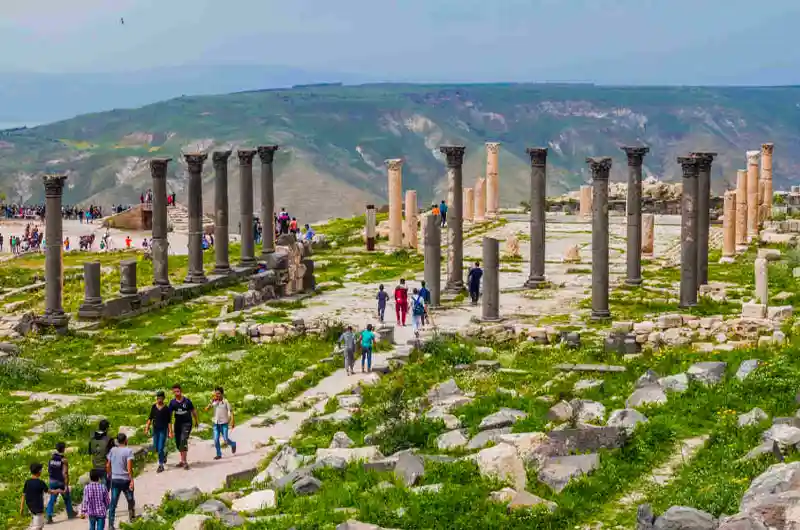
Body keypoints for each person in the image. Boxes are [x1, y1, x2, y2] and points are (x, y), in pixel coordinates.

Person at [106, 433, 135, 530]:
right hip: (125, 480)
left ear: (117, 441)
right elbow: (129, 468)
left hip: (115, 479)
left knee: (113, 503)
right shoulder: (128, 451)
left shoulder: (112, 450)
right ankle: (132, 518)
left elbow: (107, 465)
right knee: (130, 499)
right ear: (126, 440)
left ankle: (111, 525)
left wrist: (110, 474)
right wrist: (131, 480)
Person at [169, 384, 199, 470]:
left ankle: (185, 462)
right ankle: (182, 460)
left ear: (181, 391)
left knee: (183, 440)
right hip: (177, 424)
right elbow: (169, 416)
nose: (176, 393)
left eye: (178, 391)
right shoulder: (172, 403)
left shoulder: (187, 401)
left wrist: (196, 420)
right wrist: (170, 430)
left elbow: (193, 411)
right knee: (178, 443)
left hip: (187, 423)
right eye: (175, 392)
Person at [46, 442, 76, 523]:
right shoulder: (64, 460)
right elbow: (65, 473)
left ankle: (48, 516)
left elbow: (49, 471)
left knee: (52, 499)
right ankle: (70, 513)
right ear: (63, 449)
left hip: (52, 481)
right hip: (61, 482)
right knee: (67, 498)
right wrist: (66, 486)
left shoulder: (51, 459)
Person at [205, 387, 237, 460]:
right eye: (216, 394)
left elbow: (231, 411)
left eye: (218, 393)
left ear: (222, 394)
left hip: (224, 424)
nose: (217, 395)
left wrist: (232, 421)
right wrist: (211, 402)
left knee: (225, 439)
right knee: (216, 440)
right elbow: (206, 409)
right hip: (215, 424)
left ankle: (233, 444)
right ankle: (218, 454)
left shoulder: (225, 401)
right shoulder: (214, 402)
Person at [144, 391, 172, 473]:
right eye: (158, 398)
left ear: (163, 398)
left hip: (163, 430)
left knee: (160, 448)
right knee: (156, 447)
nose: (159, 399)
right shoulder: (153, 407)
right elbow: (150, 418)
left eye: (160, 398)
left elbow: (169, 421)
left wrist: (170, 432)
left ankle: (161, 465)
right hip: (155, 430)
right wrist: (147, 428)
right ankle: (164, 455)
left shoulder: (166, 408)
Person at [21, 463, 52, 530]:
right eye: (41, 470)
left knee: (39, 526)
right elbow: (49, 491)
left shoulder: (27, 482)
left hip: (30, 508)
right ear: (39, 471)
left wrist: (22, 508)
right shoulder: (41, 482)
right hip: (38, 508)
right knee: (37, 527)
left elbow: (23, 495)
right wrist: (58, 490)